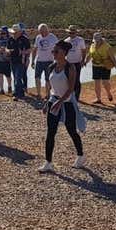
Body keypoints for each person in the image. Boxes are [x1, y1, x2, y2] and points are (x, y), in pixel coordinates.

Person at [38, 41, 86, 173]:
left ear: (64, 53)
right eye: (53, 51)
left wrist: (60, 102)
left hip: (67, 103)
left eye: (56, 51)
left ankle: (81, 155)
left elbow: (71, 89)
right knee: (50, 132)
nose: (53, 53)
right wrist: (47, 102)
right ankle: (48, 162)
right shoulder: (51, 67)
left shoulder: (70, 68)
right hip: (53, 101)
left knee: (71, 130)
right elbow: (50, 87)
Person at [84, 32, 116, 103]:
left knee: (105, 82)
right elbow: (90, 55)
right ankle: (98, 99)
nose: (96, 42)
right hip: (95, 66)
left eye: (98, 40)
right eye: (95, 40)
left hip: (105, 66)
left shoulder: (107, 46)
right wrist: (86, 61)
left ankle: (109, 93)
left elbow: (112, 57)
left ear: (101, 40)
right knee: (97, 83)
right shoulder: (92, 45)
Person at [31, 23, 58, 97]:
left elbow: (58, 48)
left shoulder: (52, 37)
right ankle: (38, 93)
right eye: (40, 32)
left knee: (48, 79)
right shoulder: (38, 37)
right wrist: (32, 61)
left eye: (43, 32)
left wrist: (56, 59)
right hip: (39, 60)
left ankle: (48, 94)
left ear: (47, 30)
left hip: (49, 61)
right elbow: (35, 49)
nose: (42, 33)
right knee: (37, 77)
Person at [6, 24, 31, 99]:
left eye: (16, 32)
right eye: (13, 32)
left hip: (21, 61)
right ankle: (21, 92)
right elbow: (7, 48)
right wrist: (8, 51)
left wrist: (23, 52)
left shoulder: (24, 39)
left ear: (20, 32)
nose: (14, 34)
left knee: (18, 77)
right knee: (15, 77)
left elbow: (29, 50)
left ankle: (16, 94)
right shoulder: (10, 39)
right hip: (12, 61)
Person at [63, 25, 87, 100]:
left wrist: (83, 60)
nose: (71, 34)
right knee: (67, 79)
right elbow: (64, 53)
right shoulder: (66, 41)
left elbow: (83, 51)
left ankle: (76, 97)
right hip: (68, 63)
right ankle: (69, 95)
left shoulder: (80, 40)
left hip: (77, 62)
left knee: (76, 80)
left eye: (73, 33)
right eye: (70, 33)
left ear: (76, 33)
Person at [0, 26, 13, 95]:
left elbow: (13, 50)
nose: (2, 34)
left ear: (7, 32)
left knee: (8, 75)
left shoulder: (10, 39)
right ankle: (1, 89)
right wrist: (0, 50)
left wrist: (7, 50)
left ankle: (9, 87)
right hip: (0, 59)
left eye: (3, 32)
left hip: (8, 60)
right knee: (0, 74)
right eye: (1, 32)